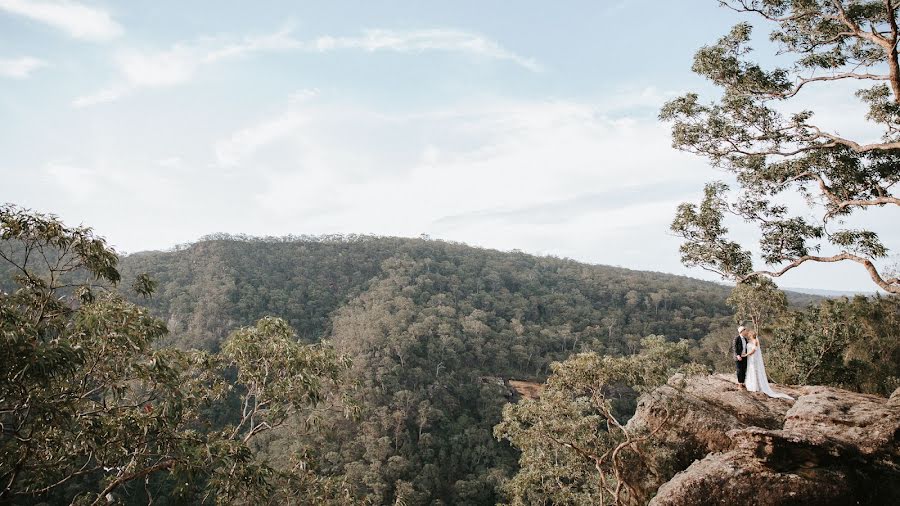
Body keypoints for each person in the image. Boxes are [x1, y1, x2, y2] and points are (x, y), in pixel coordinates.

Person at [741, 330, 794, 400]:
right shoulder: (749, 341)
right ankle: (751, 385)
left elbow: (753, 351)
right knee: (750, 370)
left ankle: (755, 386)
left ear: (751, 335)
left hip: (753, 358)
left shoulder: (755, 341)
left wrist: (746, 355)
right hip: (749, 359)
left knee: (754, 370)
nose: (748, 335)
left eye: (749, 334)